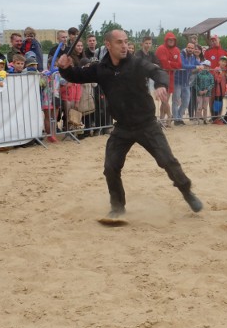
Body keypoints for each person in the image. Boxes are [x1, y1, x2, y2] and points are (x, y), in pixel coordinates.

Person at [57, 29, 203, 221]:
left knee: (168, 161)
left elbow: (157, 71)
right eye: (119, 42)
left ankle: (187, 191)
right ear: (108, 45)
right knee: (111, 167)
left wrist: (161, 84)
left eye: (126, 41)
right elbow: (76, 76)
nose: (125, 45)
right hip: (122, 127)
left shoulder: (136, 63)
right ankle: (117, 207)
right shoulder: (101, 68)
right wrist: (64, 68)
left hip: (146, 124)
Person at [155, 32, 182, 126]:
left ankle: (162, 119)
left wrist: (170, 63)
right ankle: (169, 116)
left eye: (173, 40)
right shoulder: (161, 49)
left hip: (170, 77)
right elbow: (164, 63)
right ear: (166, 40)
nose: (171, 41)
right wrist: (171, 64)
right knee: (164, 100)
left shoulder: (177, 50)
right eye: (169, 40)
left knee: (165, 101)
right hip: (161, 76)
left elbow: (179, 65)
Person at [174, 42, 200, 125]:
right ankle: (176, 119)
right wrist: (196, 67)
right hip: (177, 81)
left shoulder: (193, 57)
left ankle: (179, 117)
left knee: (186, 102)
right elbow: (182, 65)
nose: (190, 49)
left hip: (186, 82)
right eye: (189, 47)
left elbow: (198, 64)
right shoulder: (181, 55)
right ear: (186, 47)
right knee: (176, 101)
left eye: (192, 48)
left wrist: (203, 65)